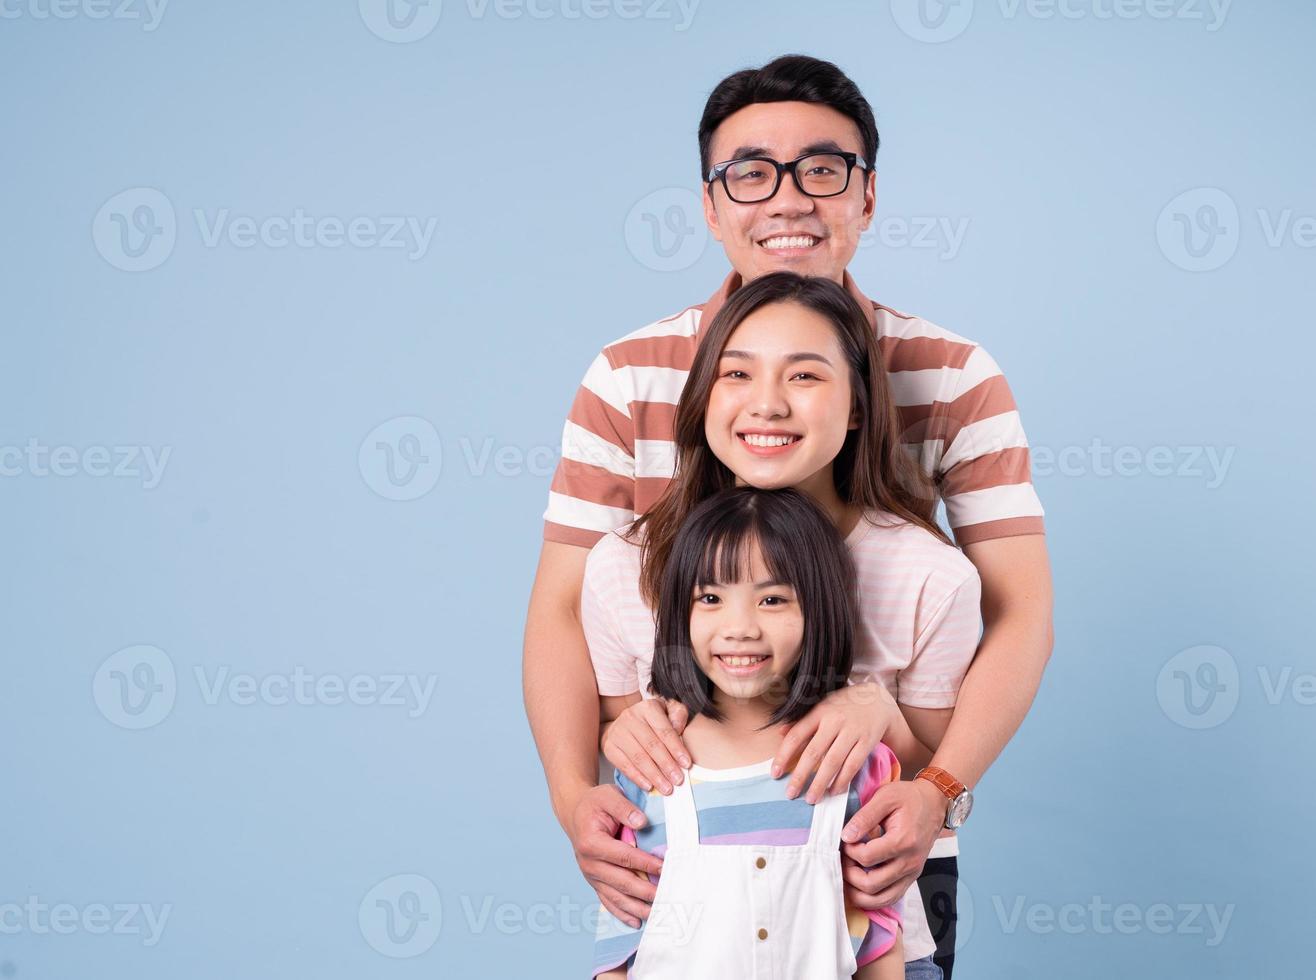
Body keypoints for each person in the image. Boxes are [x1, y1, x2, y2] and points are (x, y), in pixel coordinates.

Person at [523, 54, 1054, 980]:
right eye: (750, 172)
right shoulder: (627, 375)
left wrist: (935, 787)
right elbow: (562, 615)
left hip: (881, 834)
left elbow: (1018, 613)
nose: (788, 200)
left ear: (868, 194)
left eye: (823, 169)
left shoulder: (953, 375)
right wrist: (578, 790)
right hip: (690, 822)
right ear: (711, 204)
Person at [585, 272, 979, 978]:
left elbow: (925, 764)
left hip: (884, 879)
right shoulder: (624, 565)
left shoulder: (928, 573)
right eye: (736, 373)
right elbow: (634, 751)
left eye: (803, 374)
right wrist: (616, 736)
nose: (766, 402)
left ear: (858, 407)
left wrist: (877, 712)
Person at [594, 485, 906, 979]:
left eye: (773, 599)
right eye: (711, 597)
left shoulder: (852, 763)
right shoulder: (650, 767)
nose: (739, 628)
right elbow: (617, 948)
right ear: (680, 611)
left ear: (819, 610)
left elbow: (877, 941)